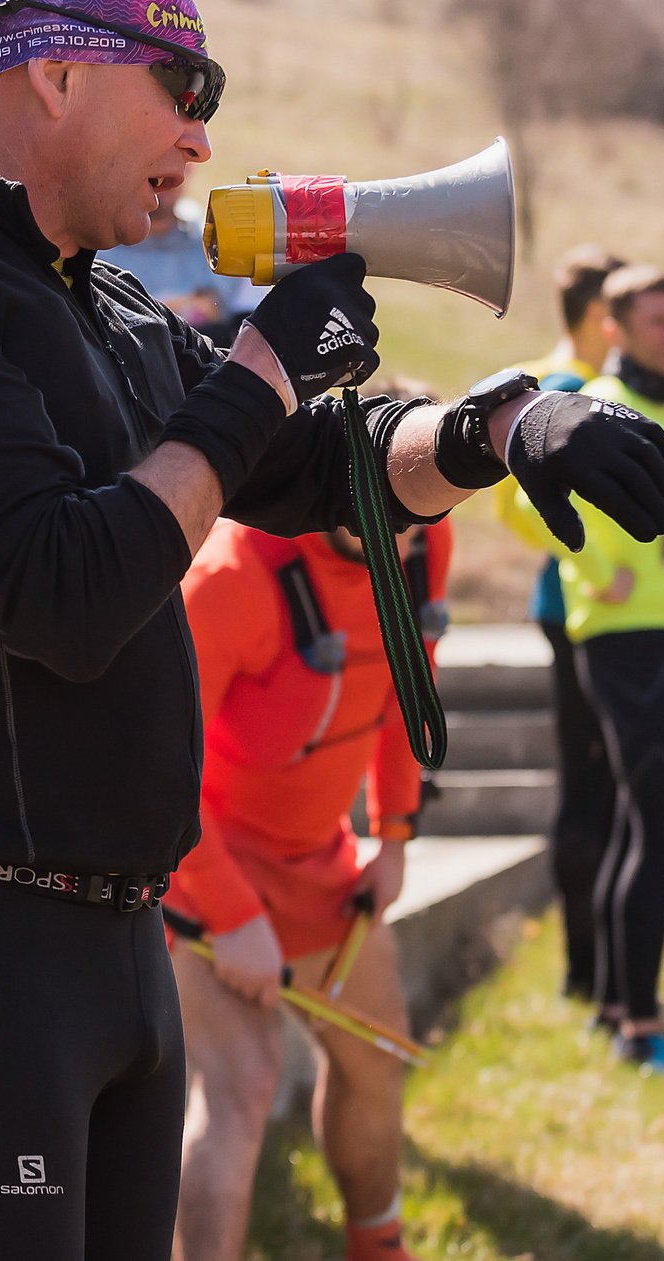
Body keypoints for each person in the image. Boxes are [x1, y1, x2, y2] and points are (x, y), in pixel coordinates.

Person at [0, 0, 664, 1260]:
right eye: (183, 87)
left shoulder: (97, 303)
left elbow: (315, 465)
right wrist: (263, 368)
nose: (202, 135)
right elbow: (65, 586)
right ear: (56, 72)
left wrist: (497, 429)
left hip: (113, 931)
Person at [168, 490, 454, 1261]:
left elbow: (410, 681)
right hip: (198, 865)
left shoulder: (426, 524)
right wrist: (231, 914)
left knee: (377, 1055)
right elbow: (154, 772)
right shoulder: (231, 576)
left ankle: (377, 1244)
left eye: (420, 524)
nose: (409, 547)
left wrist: (394, 836)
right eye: (390, 523)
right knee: (243, 1082)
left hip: (318, 863)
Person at [505, 264, 664, 1084]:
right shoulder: (593, 400)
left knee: (643, 821)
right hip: (620, 633)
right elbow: (528, 498)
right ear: (615, 327)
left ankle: (609, 1003)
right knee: (663, 824)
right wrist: (597, 569)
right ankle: (642, 1025)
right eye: (658, 320)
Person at [494, 243, 623, 1001]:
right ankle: (584, 969)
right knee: (587, 788)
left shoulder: (607, 383)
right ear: (603, 315)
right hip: (573, 613)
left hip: (611, 616)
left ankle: (608, 966)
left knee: (609, 791)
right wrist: (595, 565)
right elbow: (515, 506)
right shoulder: (561, 386)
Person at [100, 167, 259, 340]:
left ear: (190, 167)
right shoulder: (94, 253)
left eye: (173, 161)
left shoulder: (225, 245)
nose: (161, 176)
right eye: (150, 163)